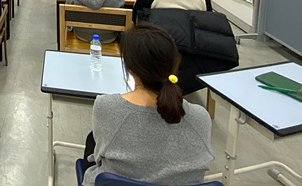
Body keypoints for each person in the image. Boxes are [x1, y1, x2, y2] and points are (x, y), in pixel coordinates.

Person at [82, 24, 214, 186]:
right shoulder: (201, 117)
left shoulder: (107, 107)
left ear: (130, 68)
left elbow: (98, 159)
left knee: (93, 142)